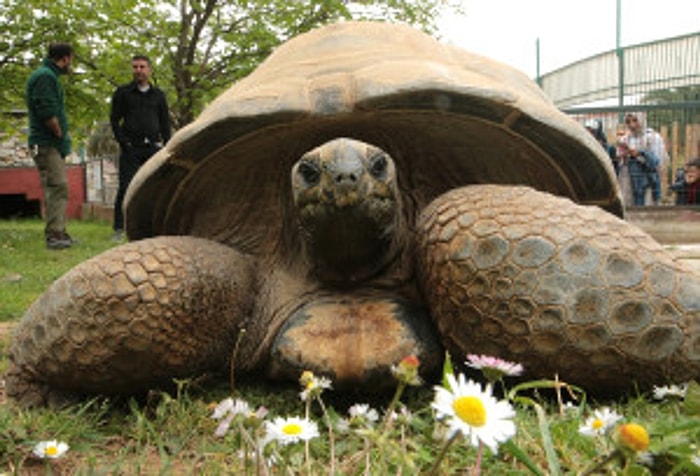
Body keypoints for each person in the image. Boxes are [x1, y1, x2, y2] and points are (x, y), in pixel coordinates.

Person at [110, 55, 171, 241]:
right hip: (131, 149)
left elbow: (164, 123)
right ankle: (119, 228)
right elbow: (114, 120)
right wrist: (124, 143)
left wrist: (167, 149)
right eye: (135, 67)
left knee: (156, 186)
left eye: (142, 67)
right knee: (126, 187)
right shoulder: (123, 93)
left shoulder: (159, 95)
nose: (138, 70)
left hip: (153, 148)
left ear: (149, 70)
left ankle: (156, 227)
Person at [25, 42, 75, 249]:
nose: (70, 63)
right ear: (64, 58)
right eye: (70, 59)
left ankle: (59, 231)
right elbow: (47, 111)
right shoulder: (45, 76)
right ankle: (55, 235)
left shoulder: (48, 75)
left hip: (49, 144)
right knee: (58, 186)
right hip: (47, 143)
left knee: (55, 187)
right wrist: (59, 133)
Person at [617, 113, 666, 206]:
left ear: (642, 120)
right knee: (629, 204)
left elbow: (658, 161)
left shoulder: (653, 137)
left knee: (648, 204)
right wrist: (622, 156)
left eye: (635, 120)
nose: (632, 125)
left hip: (648, 177)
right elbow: (620, 162)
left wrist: (639, 154)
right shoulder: (625, 139)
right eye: (628, 122)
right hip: (628, 178)